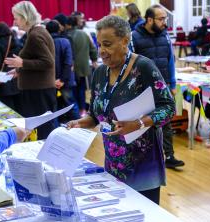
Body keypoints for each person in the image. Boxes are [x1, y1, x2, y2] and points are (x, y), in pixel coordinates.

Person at [67, 15, 175, 204]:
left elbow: (169, 107)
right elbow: (95, 114)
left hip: (143, 165)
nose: (102, 51)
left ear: (125, 41)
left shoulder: (144, 67)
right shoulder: (100, 73)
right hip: (113, 163)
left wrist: (138, 123)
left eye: (107, 44)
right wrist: (80, 122)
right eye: (99, 45)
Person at [131, 5, 184, 169]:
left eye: (165, 18)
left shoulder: (165, 36)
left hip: (163, 87)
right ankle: (142, 158)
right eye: (161, 19)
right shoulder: (134, 37)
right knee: (143, 124)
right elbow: (130, 64)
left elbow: (170, 61)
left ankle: (169, 156)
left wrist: (172, 83)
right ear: (149, 20)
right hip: (142, 89)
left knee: (166, 122)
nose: (164, 22)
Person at [5, 1, 57, 140]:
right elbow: (39, 61)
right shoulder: (36, 32)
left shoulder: (35, 35)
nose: (14, 21)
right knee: (43, 129)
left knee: (43, 130)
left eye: (16, 17)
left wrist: (22, 63)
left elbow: (48, 62)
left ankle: (46, 159)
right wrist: (20, 70)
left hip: (38, 92)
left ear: (24, 17)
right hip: (38, 90)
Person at [46, 20, 80, 121]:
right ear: (59, 29)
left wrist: (56, 80)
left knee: (54, 106)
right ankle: (79, 127)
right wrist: (63, 80)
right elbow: (68, 63)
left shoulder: (46, 43)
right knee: (70, 104)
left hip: (50, 81)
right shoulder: (65, 41)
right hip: (65, 79)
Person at [66, 16, 98, 116]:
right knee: (83, 90)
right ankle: (83, 109)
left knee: (73, 91)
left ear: (68, 25)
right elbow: (93, 49)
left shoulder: (65, 36)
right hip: (84, 68)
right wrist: (94, 60)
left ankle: (75, 112)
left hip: (71, 69)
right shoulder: (84, 34)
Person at [0, 22, 21, 110]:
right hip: (17, 77)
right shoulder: (16, 40)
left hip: (3, 79)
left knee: (6, 109)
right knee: (17, 108)